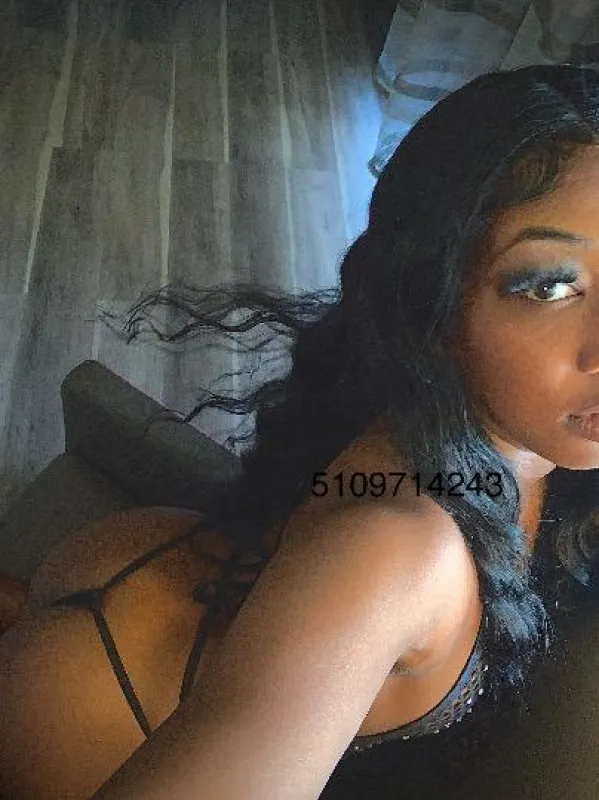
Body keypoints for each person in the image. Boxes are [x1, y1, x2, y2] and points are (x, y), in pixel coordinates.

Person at [2, 63, 599, 799]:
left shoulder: (515, 425)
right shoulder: (400, 553)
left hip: (165, 589)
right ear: (435, 296)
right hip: (98, 696)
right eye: (549, 285)